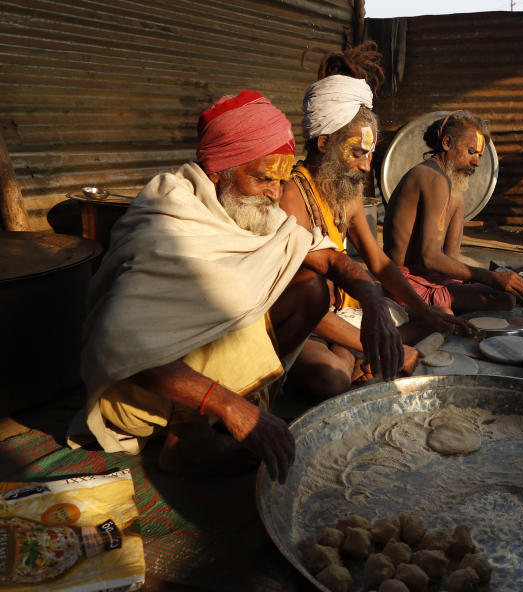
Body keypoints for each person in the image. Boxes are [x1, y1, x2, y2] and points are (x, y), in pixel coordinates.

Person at [77, 91, 404, 484]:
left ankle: (233, 412)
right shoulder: (167, 225)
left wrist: (373, 303)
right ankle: (189, 442)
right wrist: (231, 407)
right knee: (232, 305)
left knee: (310, 289)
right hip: (134, 389)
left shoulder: (253, 210)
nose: (274, 194)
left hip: (197, 382)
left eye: (282, 181)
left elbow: (332, 258)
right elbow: (119, 347)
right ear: (218, 172)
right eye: (264, 178)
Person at [280, 44, 476, 396]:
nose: (367, 166)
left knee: (436, 320)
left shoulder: (347, 193)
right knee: (331, 379)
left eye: (369, 155)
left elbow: (380, 263)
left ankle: (361, 354)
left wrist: (425, 311)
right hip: (307, 323)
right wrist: (378, 343)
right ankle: (362, 357)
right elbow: (300, 304)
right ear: (324, 143)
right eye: (358, 153)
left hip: (347, 315)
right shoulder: (291, 196)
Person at [382, 110, 523, 313]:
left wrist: (473, 279)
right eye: (471, 152)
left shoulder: (451, 190)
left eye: (479, 155)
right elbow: (430, 257)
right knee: (503, 299)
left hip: (429, 278)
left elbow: (450, 258)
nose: (477, 162)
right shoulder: (433, 177)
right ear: (447, 142)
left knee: (501, 293)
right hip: (406, 289)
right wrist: (489, 277)